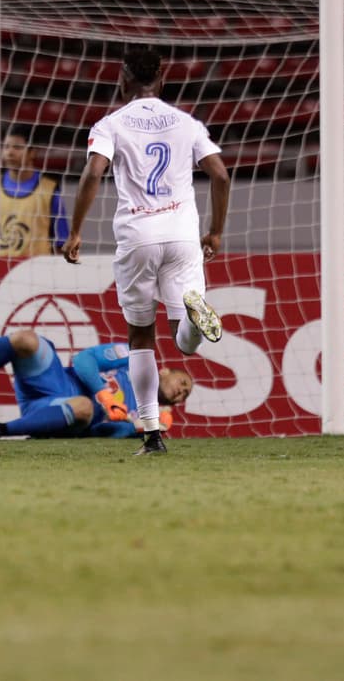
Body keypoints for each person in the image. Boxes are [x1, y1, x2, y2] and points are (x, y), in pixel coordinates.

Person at [62, 46, 230, 456]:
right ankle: (193, 316)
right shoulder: (186, 122)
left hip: (138, 236)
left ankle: (152, 434)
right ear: (163, 79)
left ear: (123, 80)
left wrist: (76, 230)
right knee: (186, 343)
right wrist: (215, 232)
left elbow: (93, 172)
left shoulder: (111, 123)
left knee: (140, 336)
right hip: (182, 235)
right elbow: (221, 176)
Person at [0, 331, 193, 439]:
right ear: (165, 370)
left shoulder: (152, 417)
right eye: (182, 382)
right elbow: (84, 360)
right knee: (27, 340)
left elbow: (104, 432)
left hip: (66, 412)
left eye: (185, 394)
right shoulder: (134, 360)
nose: (182, 391)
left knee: (84, 407)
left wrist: (133, 427)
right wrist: (103, 394)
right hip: (55, 380)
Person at [0, 123, 69, 257]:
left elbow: (61, 242)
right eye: (6, 146)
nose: (9, 152)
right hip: (0, 271)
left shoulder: (49, 190)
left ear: (32, 152)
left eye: (17, 147)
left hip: (37, 270)